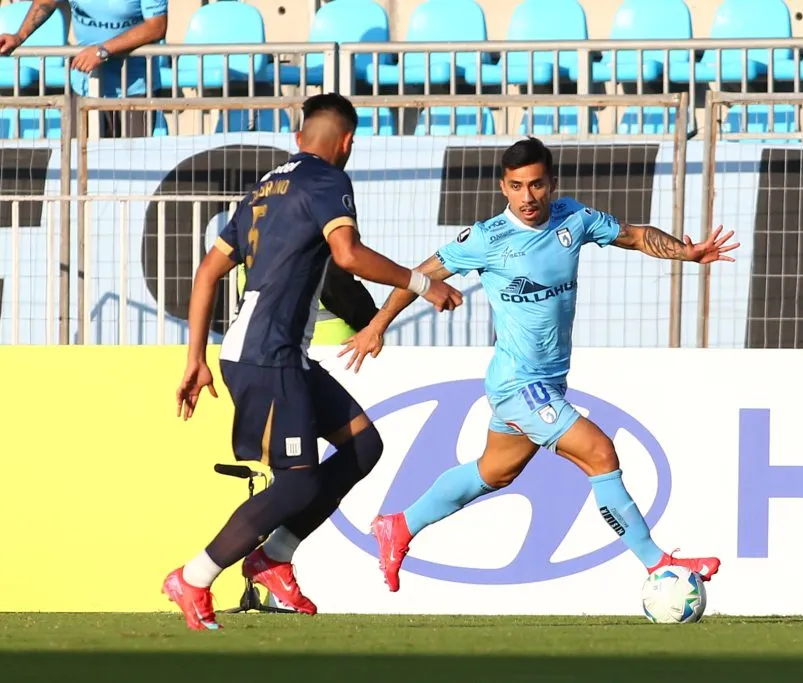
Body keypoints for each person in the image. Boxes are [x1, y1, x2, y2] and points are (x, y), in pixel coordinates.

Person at [341, 137, 738, 593]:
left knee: (495, 472)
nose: (527, 197)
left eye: (535, 185)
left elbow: (633, 235)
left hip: (548, 382)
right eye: (515, 186)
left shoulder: (574, 218)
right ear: (502, 187)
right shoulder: (487, 239)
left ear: (551, 184)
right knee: (601, 453)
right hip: (518, 385)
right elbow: (417, 276)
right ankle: (659, 564)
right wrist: (376, 326)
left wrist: (685, 253)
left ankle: (400, 525)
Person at [164, 93, 463, 631]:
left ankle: (275, 556)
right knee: (297, 483)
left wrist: (196, 358)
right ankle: (194, 576)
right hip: (267, 356)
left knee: (364, 444)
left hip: (272, 355)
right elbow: (347, 255)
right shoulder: (328, 180)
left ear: (299, 138)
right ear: (346, 142)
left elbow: (207, 272)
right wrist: (423, 283)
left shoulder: (261, 189)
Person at [0, 0, 169, 137]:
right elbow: (46, 3)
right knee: (80, 165)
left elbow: (156, 27)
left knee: (130, 168)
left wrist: (103, 50)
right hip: (83, 87)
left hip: (134, 90)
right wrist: (19, 36)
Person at [236, 259, 380, 345]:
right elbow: (356, 306)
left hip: (266, 348)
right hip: (330, 349)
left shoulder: (248, 259)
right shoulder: (313, 252)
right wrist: (376, 322)